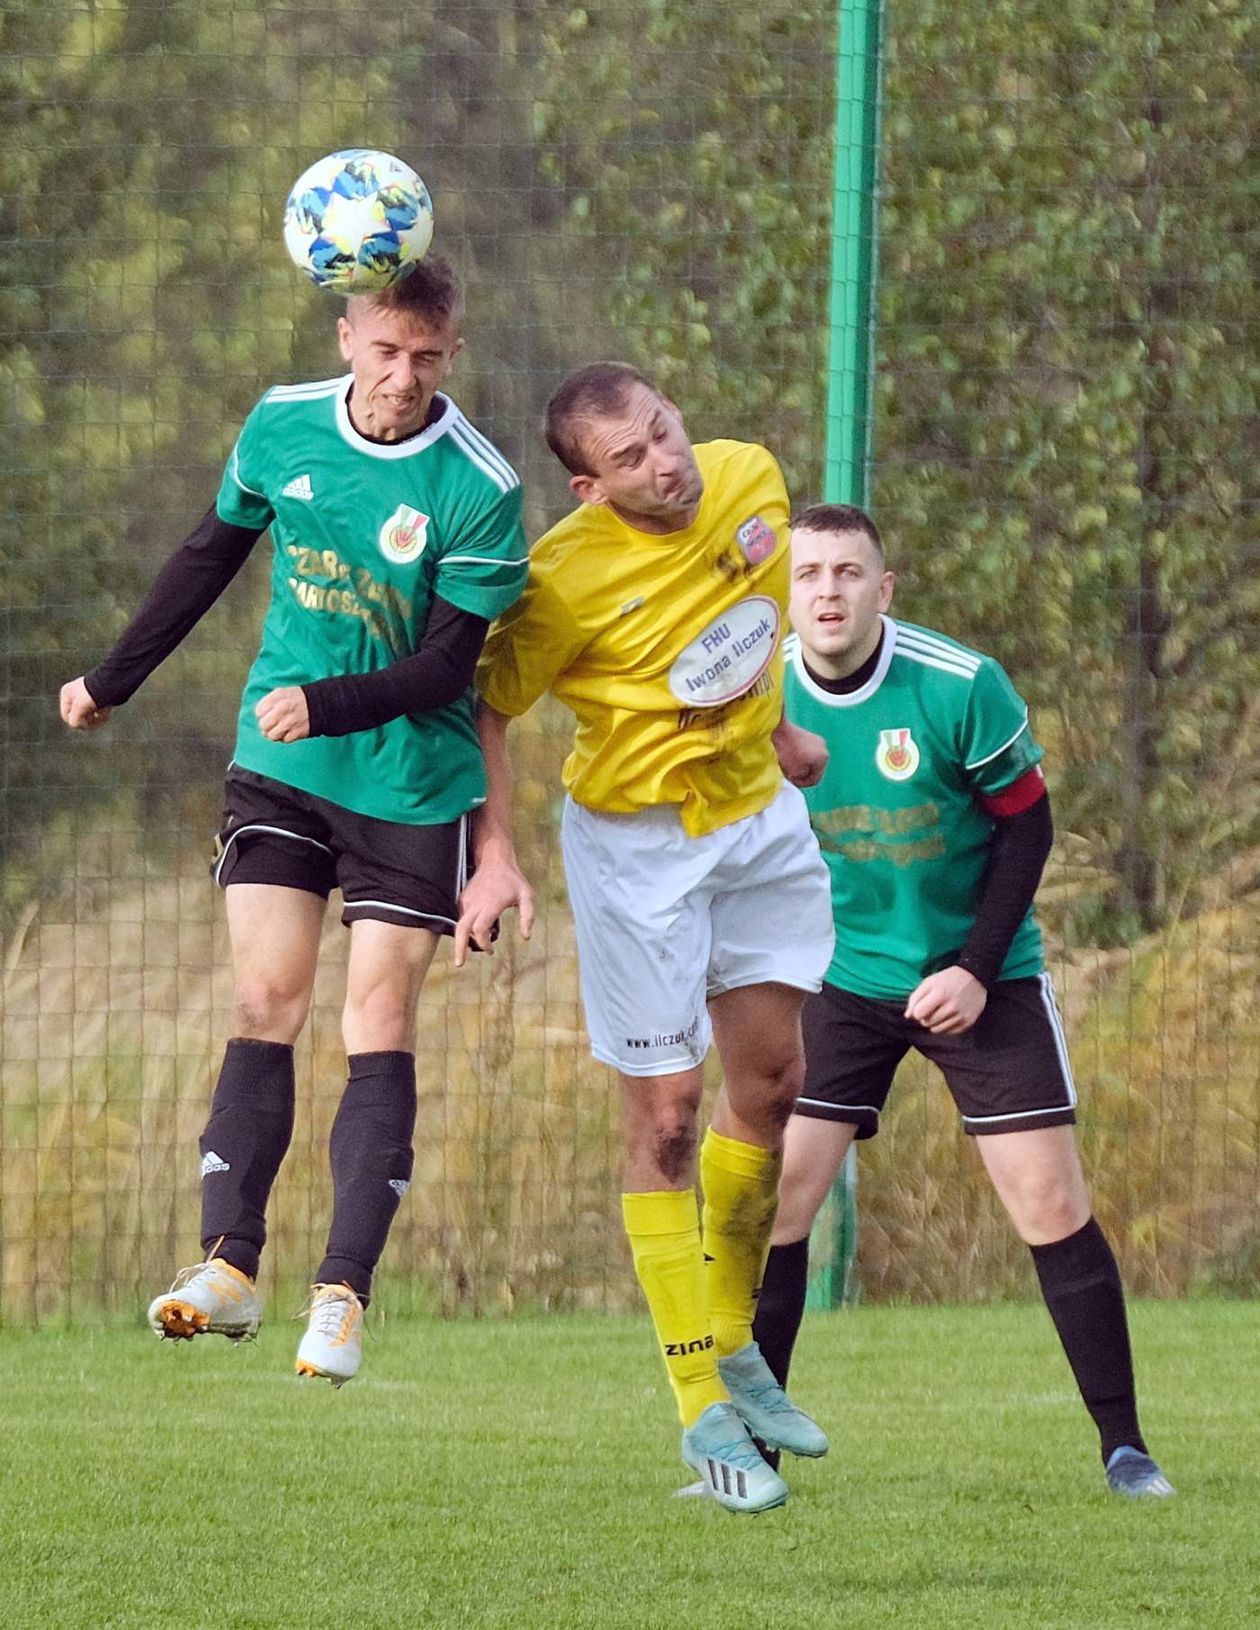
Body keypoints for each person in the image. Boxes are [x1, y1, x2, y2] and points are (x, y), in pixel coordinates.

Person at [59, 256, 528, 1385]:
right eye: (383, 350)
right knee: (265, 995)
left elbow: (442, 669)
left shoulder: (480, 486)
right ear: (345, 334)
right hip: (280, 767)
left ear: (451, 353)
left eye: (425, 357)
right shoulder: (280, 427)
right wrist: (110, 681)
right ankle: (226, 1267)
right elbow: (206, 557)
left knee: (377, 1015)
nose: (401, 376)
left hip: (410, 785)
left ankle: (342, 1296)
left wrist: (327, 701)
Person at [456, 361, 836, 1513]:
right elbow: (490, 709)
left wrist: (778, 738)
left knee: (771, 1084)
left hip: (757, 823)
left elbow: (738, 637)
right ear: (587, 487)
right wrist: (496, 853)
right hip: (638, 852)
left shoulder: (750, 480)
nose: (666, 462)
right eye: (631, 458)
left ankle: (733, 1346)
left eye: (666, 431)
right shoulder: (559, 581)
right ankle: (698, 1412)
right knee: (668, 1113)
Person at [750, 502, 1173, 1498]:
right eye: (808, 575)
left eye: (849, 573)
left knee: (1050, 1201)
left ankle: (1126, 1448)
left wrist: (976, 968)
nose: (827, 593)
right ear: (787, 593)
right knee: (774, 1203)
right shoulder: (754, 693)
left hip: (984, 972)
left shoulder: (958, 683)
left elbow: (1029, 831)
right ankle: (746, 1453)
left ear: (883, 588)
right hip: (838, 981)